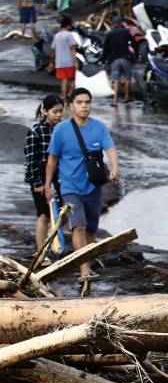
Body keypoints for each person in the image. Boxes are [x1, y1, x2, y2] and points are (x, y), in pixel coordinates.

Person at [44, 88, 119, 282]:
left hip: (93, 186)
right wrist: (47, 185)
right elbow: (52, 159)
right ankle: (84, 269)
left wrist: (115, 167)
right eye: (80, 102)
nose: (84, 106)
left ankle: (85, 259)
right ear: (71, 105)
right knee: (79, 226)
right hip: (69, 186)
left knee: (92, 229)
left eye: (87, 102)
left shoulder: (99, 127)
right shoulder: (61, 129)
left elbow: (110, 149)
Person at [24, 94, 65, 253]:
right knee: (43, 215)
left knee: (63, 212)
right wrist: (37, 183)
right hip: (40, 176)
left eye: (61, 111)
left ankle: (57, 243)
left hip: (61, 175)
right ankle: (41, 252)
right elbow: (30, 159)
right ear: (45, 111)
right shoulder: (36, 131)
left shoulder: (63, 128)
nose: (58, 115)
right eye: (55, 112)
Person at [101, 16, 134, 106]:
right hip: (125, 58)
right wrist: (136, 55)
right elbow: (133, 42)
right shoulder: (125, 32)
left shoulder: (110, 34)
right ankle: (127, 97)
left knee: (115, 79)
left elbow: (105, 49)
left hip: (114, 60)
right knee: (127, 78)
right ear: (121, 23)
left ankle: (114, 100)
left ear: (114, 24)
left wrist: (103, 60)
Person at [49, 15, 79, 102]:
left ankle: (64, 98)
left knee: (64, 80)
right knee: (74, 79)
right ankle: (70, 93)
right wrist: (75, 61)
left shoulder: (57, 36)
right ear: (68, 25)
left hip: (59, 62)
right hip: (69, 61)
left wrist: (51, 62)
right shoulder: (69, 35)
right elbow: (72, 50)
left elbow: (53, 51)